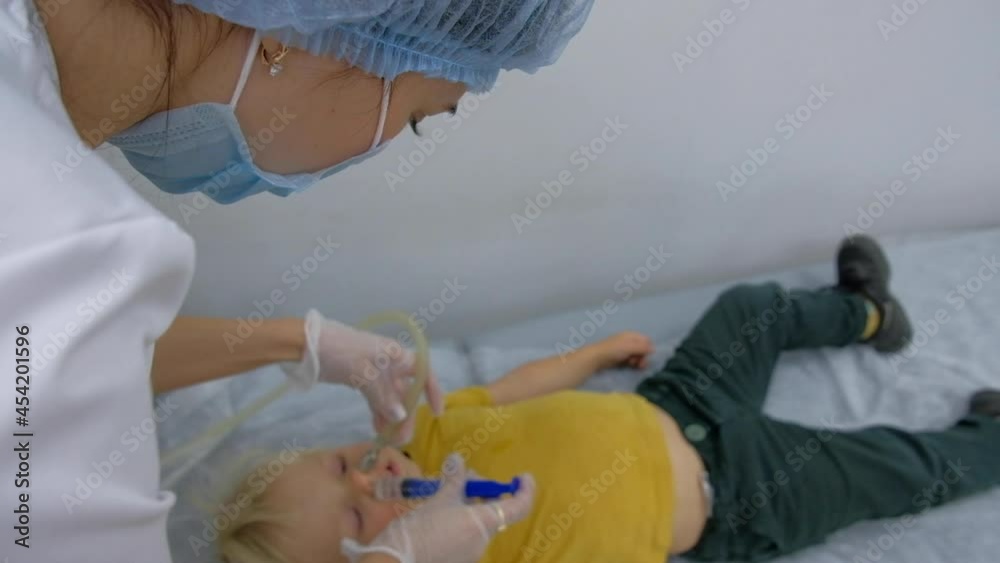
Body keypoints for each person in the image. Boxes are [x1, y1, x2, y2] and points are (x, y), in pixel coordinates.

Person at [0, 0, 594, 561]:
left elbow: (52, 370)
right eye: (416, 119)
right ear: (297, 26)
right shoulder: (70, 255)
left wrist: (298, 341)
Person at [215, 235, 1000, 563]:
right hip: (734, 492)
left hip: (677, 400)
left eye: (339, 465)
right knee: (896, 465)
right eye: (356, 517)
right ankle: (988, 440)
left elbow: (516, 390)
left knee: (751, 307)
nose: (365, 476)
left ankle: (866, 314)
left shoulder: (428, 434)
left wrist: (591, 355)